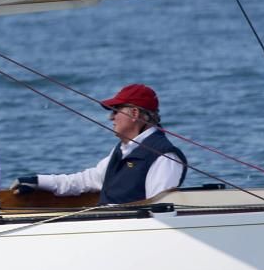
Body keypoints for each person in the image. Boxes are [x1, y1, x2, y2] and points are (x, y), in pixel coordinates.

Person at [12, 83, 187, 204]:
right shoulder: (121, 150)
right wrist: (38, 181)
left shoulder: (165, 156)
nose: (110, 117)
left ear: (134, 114)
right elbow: (85, 181)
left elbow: (159, 212)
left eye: (115, 111)